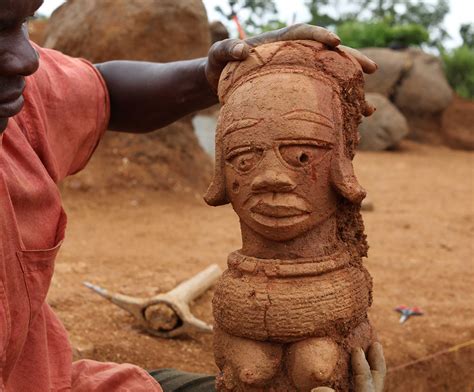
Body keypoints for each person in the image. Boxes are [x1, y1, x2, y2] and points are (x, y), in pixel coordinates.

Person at [0, 0, 383, 391]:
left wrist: (209, 73)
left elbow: (105, 90)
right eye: (245, 159)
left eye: (25, 22)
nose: (26, 61)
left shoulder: (20, 107)